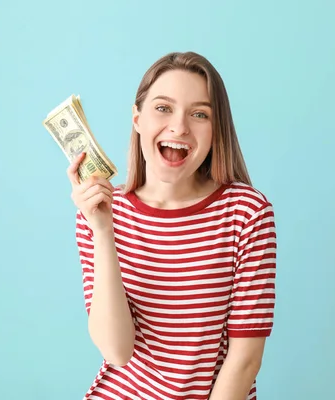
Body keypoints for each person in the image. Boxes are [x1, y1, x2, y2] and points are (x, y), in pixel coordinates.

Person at [67, 51, 277, 400]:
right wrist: (103, 230)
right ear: (137, 119)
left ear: (215, 130)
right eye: (163, 108)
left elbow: (244, 361)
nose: (179, 127)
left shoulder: (247, 214)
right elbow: (117, 352)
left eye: (199, 114)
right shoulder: (100, 213)